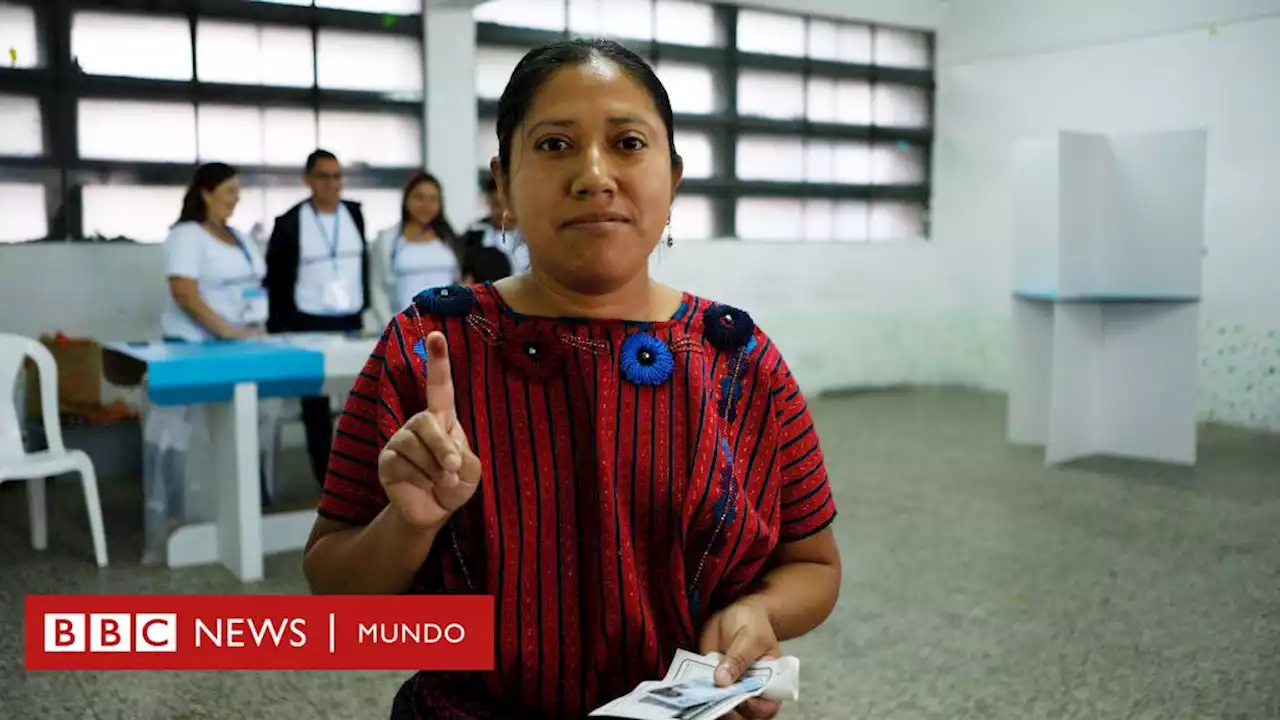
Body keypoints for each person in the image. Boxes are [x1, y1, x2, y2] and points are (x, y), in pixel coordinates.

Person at [302, 39, 841, 720]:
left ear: (672, 177)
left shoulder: (739, 360)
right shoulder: (426, 348)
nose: (594, 175)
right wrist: (407, 526)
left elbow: (815, 565)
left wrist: (756, 613)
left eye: (628, 143)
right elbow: (335, 589)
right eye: (555, 145)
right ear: (504, 181)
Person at [149, 162, 269, 563]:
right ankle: (176, 518)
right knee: (183, 437)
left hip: (235, 347)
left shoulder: (238, 238)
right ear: (206, 192)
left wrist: (247, 330)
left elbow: (252, 288)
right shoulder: (186, 235)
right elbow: (184, 292)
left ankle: (227, 513)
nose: (236, 197)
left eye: (238, 190)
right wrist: (225, 330)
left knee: (227, 431)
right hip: (193, 346)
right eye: (230, 189)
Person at [263, 149, 370, 485]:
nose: (332, 183)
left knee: (363, 400)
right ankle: (328, 483)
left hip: (350, 321)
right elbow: (276, 278)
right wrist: (278, 328)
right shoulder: (290, 222)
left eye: (337, 176)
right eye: (324, 176)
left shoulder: (354, 214)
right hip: (306, 323)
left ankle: (364, 478)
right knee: (316, 408)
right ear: (307, 179)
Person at [367, 171, 460, 329]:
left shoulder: (449, 239)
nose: (426, 205)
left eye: (433, 199)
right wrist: (391, 328)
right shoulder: (388, 240)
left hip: (446, 329)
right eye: (419, 197)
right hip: (406, 330)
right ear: (406, 200)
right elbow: (377, 289)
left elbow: (458, 283)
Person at [462, 173, 529, 276]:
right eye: (496, 205)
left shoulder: (533, 238)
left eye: (508, 204)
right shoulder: (473, 238)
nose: (503, 211)